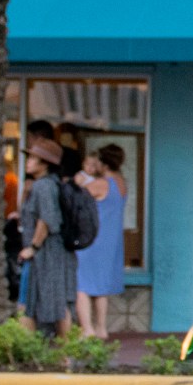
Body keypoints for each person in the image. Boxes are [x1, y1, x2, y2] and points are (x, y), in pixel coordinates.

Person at [17, 136, 77, 336]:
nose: (29, 162)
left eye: (33, 158)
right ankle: (62, 352)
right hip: (53, 253)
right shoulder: (51, 184)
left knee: (30, 303)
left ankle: (52, 352)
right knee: (54, 301)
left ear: (45, 164)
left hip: (46, 253)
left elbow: (47, 219)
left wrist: (32, 247)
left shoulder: (43, 186)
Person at [74, 144, 128, 339]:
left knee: (81, 284)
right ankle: (101, 328)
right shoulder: (121, 182)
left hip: (92, 239)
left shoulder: (100, 184)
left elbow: (75, 197)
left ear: (103, 164)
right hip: (111, 240)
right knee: (101, 288)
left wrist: (78, 181)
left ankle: (87, 328)